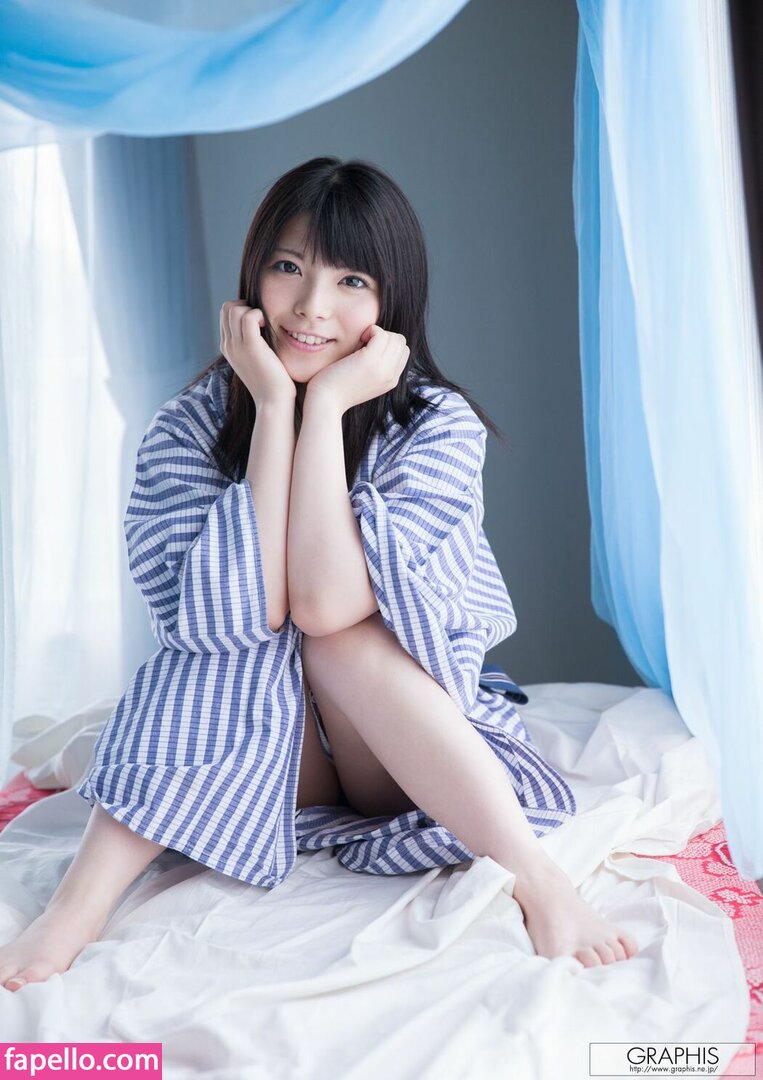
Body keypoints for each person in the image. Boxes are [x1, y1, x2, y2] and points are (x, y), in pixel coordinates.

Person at [0, 157, 638, 991]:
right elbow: (231, 618)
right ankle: (72, 914)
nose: (310, 306)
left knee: (337, 640)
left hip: (393, 749)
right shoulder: (188, 427)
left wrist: (328, 407)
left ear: (390, 302)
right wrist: (273, 408)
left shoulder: (435, 426)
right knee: (226, 645)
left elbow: (325, 604)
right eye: (288, 267)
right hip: (269, 757)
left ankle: (539, 879)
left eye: (350, 280)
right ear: (252, 276)